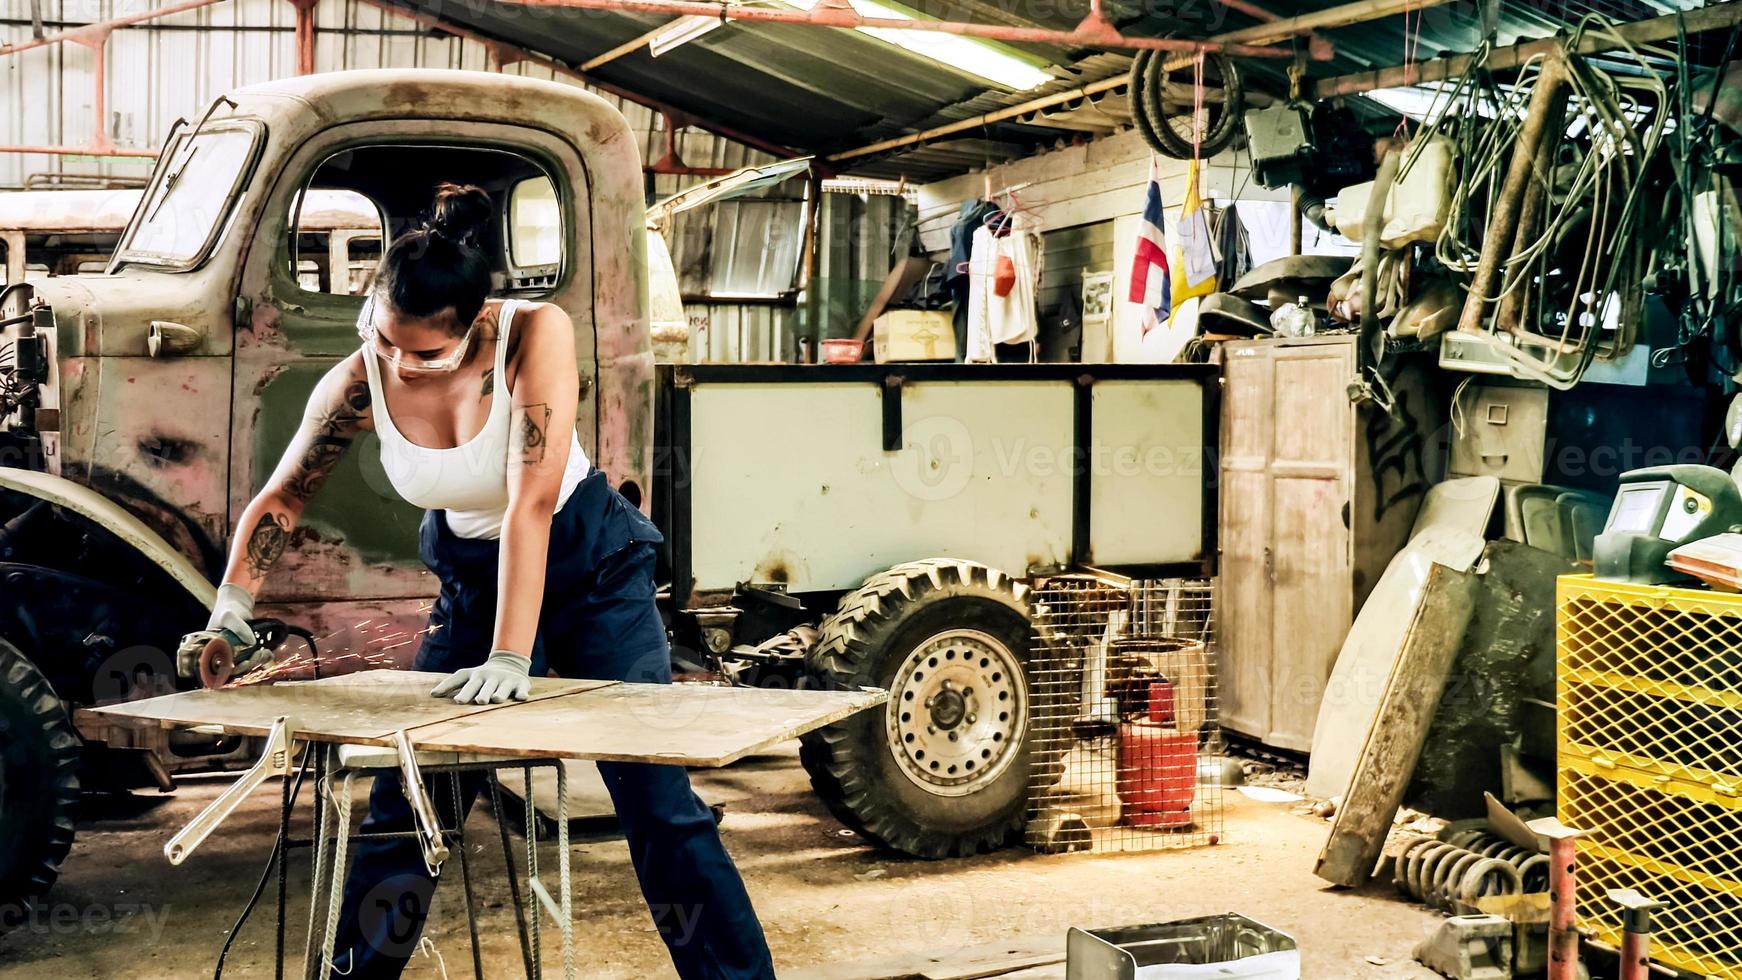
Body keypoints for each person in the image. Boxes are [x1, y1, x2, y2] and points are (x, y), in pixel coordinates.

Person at [180, 183, 775, 979]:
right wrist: (230, 612)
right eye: (383, 339)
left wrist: (510, 658)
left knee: (655, 802)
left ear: (474, 328)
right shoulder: (362, 380)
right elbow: (284, 497)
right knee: (409, 798)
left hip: (591, 569)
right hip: (472, 582)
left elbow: (531, 502)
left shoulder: (536, 334)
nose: (397, 364)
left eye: (422, 353)